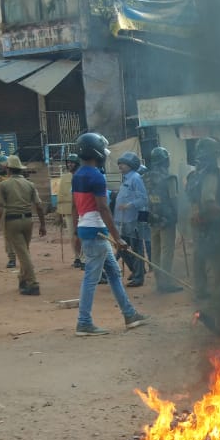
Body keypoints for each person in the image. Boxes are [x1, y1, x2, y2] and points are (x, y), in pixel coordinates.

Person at [72, 132, 148, 336]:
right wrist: (117, 237)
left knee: (114, 273)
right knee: (91, 277)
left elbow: (74, 207)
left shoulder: (78, 174)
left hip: (87, 229)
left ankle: (129, 314)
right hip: (97, 232)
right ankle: (84, 322)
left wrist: (75, 232)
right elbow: (103, 209)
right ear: (96, 151)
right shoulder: (96, 175)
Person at [0, 155, 46, 296]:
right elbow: (39, 206)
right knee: (24, 251)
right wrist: (43, 225)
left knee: (23, 253)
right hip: (28, 220)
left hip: (12, 221)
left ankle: (33, 283)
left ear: (8, 170)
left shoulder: (3, 185)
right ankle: (22, 279)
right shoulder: (30, 184)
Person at [188, 137, 220, 301]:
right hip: (213, 224)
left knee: (199, 257)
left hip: (198, 223)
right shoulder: (212, 173)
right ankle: (219, 297)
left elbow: (192, 198)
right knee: (218, 260)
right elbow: (209, 202)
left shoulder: (196, 173)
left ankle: (200, 291)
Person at [143, 146, 183, 293]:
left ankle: (159, 281)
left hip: (152, 217)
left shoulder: (146, 176)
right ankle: (166, 283)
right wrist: (178, 216)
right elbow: (174, 199)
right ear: (165, 161)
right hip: (167, 218)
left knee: (155, 250)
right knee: (167, 251)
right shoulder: (169, 178)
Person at [115, 152, 150, 288]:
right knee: (123, 248)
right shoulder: (125, 179)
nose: (120, 166)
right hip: (123, 220)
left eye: (122, 164)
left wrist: (128, 205)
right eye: (119, 164)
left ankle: (138, 277)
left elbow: (143, 199)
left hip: (133, 219)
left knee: (136, 249)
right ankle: (136, 271)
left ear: (130, 165)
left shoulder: (135, 178)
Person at [0, 155, 17, 269]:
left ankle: (23, 255)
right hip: (2, 209)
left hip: (15, 207)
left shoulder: (16, 178)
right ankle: (11, 258)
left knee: (18, 234)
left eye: (0, 165)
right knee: (7, 235)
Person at [56, 153, 83, 268]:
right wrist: (58, 212)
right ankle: (77, 257)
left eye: (72, 162)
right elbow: (60, 195)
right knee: (72, 235)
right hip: (68, 211)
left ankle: (84, 258)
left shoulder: (82, 176)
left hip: (81, 210)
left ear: (77, 163)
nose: (69, 164)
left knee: (81, 235)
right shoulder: (65, 177)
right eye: (68, 162)